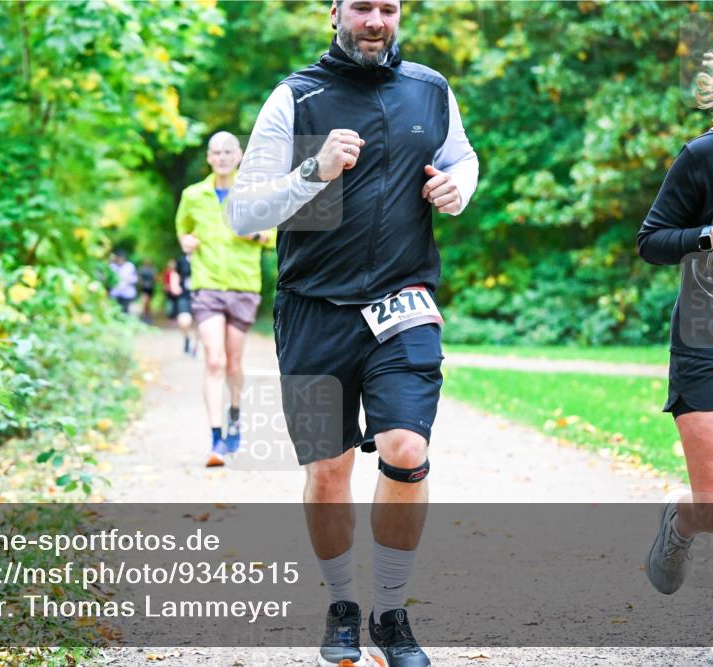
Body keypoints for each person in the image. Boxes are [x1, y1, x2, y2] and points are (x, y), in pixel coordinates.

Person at [228, 1, 478, 664]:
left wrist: (459, 187)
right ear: (335, 12)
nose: (376, 20)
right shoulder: (296, 97)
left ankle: (391, 613)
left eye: (388, 8)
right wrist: (315, 171)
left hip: (403, 302)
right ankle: (342, 605)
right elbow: (244, 211)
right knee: (327, 468)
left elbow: (463, 158)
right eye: (362, 6)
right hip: (312, 310)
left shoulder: (430, 89)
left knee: (404, 444)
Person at [637, 34, 713, 667]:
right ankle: (681, 522)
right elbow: (652, 240)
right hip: (712, 346)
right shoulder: (708, 156)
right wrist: (710, 234)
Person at [175, 131, 276, 467]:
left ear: (239, 155)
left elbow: (274, 237)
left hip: (244, 286)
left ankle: (235, 415)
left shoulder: (253, 193)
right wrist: (186, 241)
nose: (221, 157)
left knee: (234, 363)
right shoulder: (193, 195)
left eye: (227, 152)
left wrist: (256, 233)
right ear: (208, 157)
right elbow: (183, 229)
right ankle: (216, 439)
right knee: (214, 360)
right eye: (215, 152)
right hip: (207, 287)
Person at [108, 249, 138, 314]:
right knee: (115, 310)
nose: (119, 260)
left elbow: (135, 278)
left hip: (126, 293)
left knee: (125, 311)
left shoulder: (130, 266)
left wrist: (129, 279)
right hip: (115, 292)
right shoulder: (112, 266)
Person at [138, 258, 157, 324]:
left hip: (150, 287)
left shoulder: (153, 269)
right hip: (144, 287)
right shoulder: (142, 269)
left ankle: (148, 315)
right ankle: (144, 315)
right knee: (145, 301)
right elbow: (139, 277)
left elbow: (155, 278)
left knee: (149, 303)